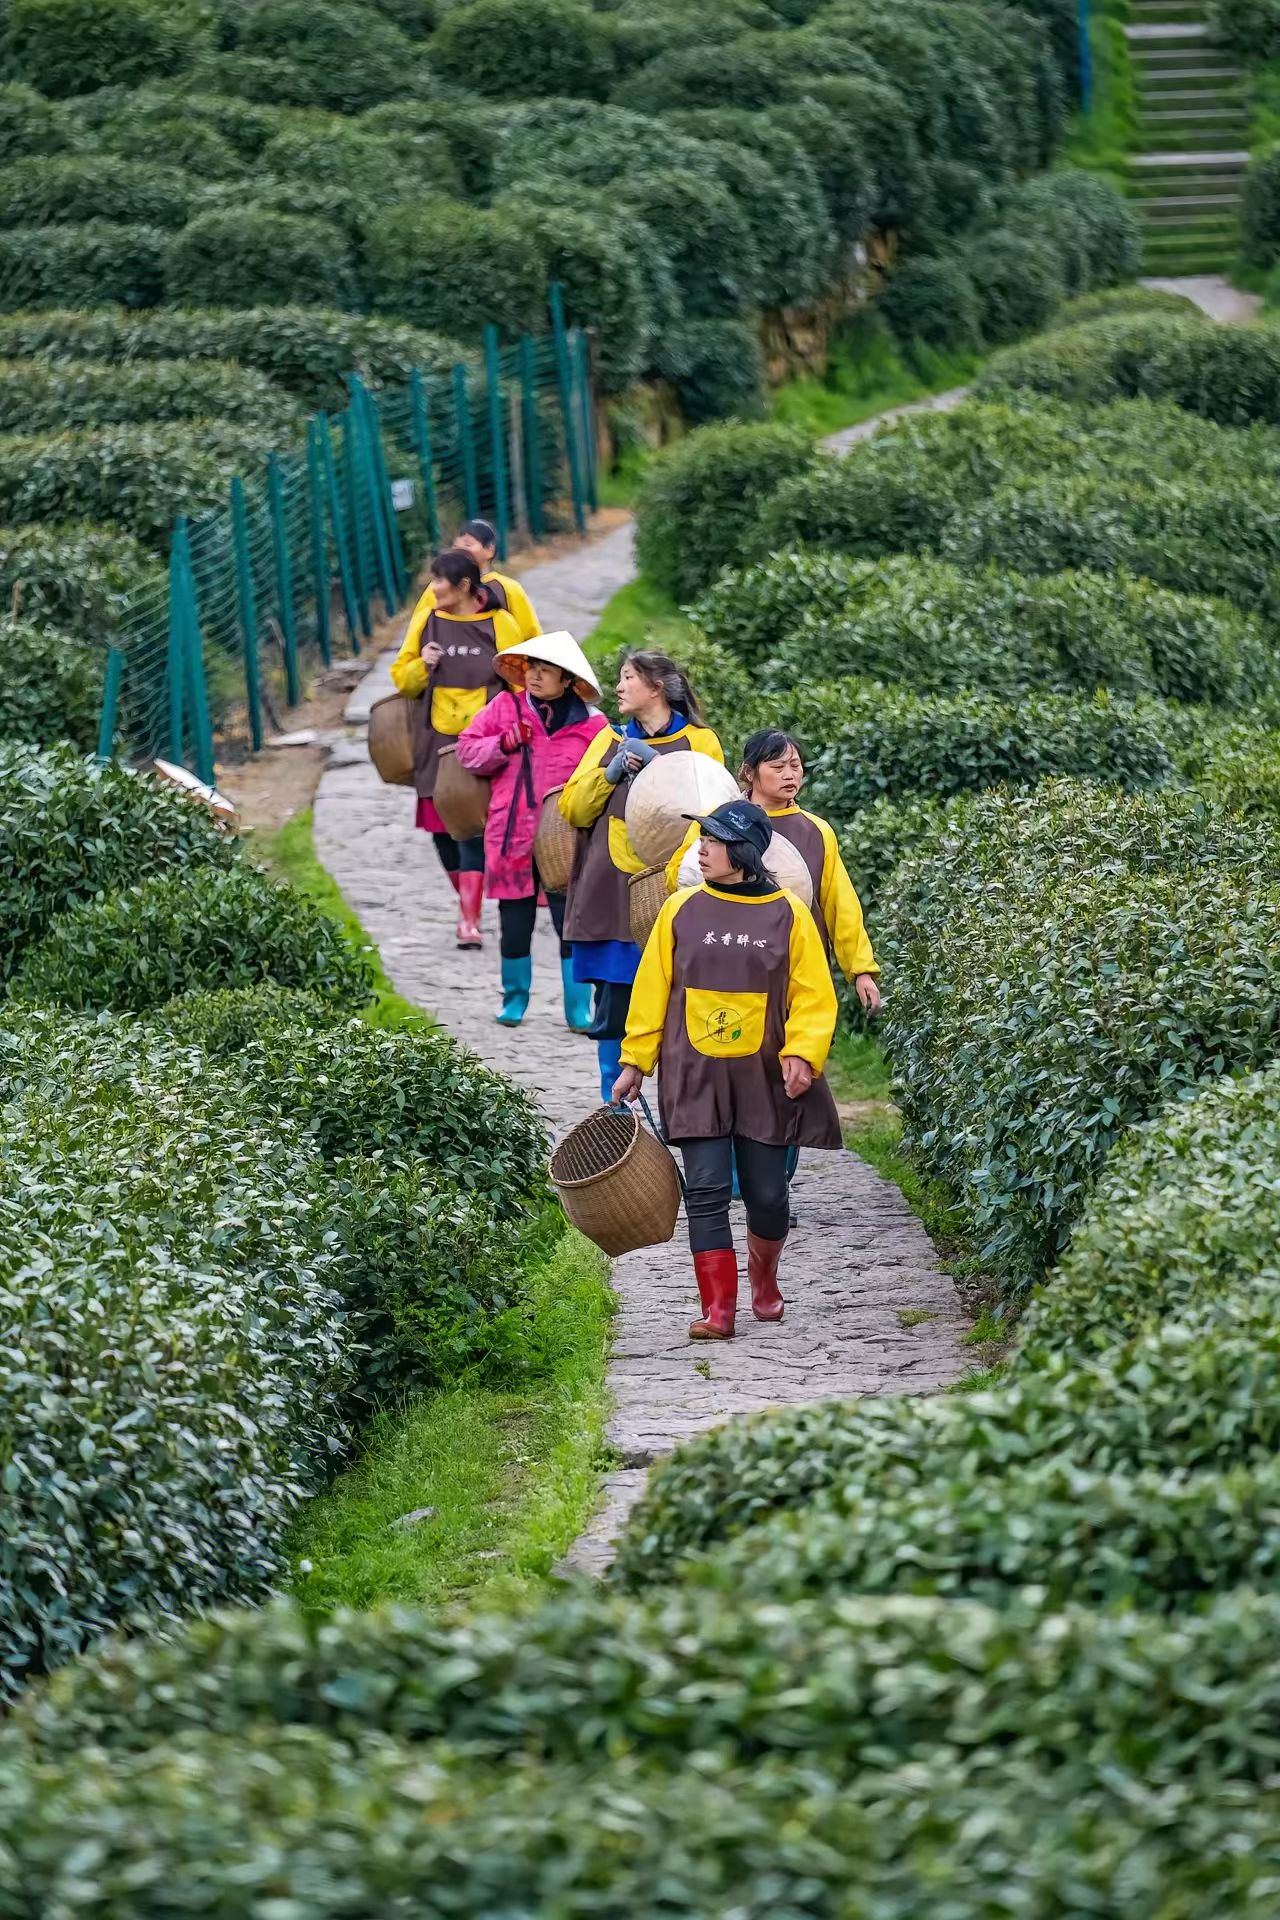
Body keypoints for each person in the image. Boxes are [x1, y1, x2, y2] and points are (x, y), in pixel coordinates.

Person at [611, 799, 840, 1340]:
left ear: (743, 852)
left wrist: (803, 1051)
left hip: (764, 1076)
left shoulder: (789, 914)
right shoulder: (680, 910)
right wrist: (635, 1060)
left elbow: (813, 994)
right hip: (696, 1073)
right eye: (703, 839)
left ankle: (764, 1276)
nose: (702, 850)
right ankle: (718, 1310)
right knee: (706, 1191)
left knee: (767, 1195)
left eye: (713, 841)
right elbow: (652, 989)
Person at [559, 649, 723, 1103]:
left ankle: (681, 1112)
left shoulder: (699, 742)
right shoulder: (608, 739)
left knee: (678, 1005)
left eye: (628, 677)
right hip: (610, 892)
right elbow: (572, 808)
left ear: (656, 687)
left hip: (675, 892)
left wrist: (662, 772)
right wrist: (609, 774)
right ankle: (615, 1111)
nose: (618, 687)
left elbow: (716, 810)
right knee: (613, 1008)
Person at [455, 631, 609, 1031]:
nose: (535, 677)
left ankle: (578, 1009)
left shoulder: (594, 727)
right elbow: (466, 751)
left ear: (568, 680)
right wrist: (504, 743)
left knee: (570, 923)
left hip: (566, 838)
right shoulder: (505, 708)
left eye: (546, 671)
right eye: (531, 669)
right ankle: (514, 999)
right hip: (511, 832)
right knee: (514, 921)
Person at [390, 548, 522, 948]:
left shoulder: (501, 624)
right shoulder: (427, 621)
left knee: (470, 831)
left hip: (485, 748)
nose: (433, 588)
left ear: (463, 585)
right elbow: (403, 680)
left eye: (439, 580)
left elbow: (520, 683)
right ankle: (470, 899)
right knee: (441, 833)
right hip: (436, 742)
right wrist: (422, 665)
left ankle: (469, 920)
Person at [399, 517, 541, 652]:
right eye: (456, 545)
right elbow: (416, 634)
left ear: (490, 550)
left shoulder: (508, 588)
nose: (460, 549)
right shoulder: (438, 588)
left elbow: (532, 637)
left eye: (468, 544)